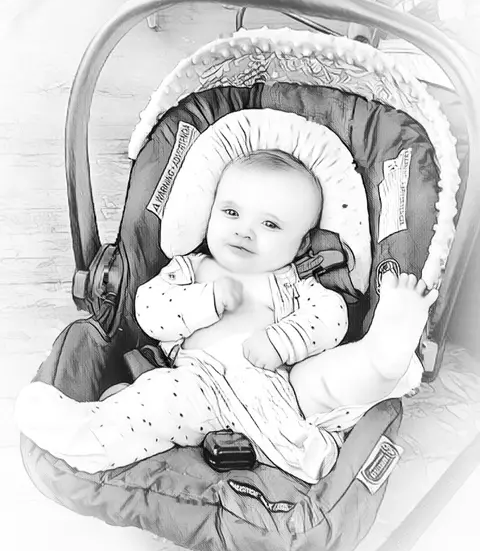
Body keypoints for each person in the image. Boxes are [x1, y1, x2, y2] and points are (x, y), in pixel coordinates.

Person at [15, 149, 438, 483]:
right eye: (231, 213)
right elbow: (149, 311)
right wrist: (205, 301)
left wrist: (282, 340)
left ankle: (384, 355)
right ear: (210, 210)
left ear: (300, 243)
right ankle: (86, 435)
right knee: (151, 405)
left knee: (329, 379)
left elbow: (331, 318)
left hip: (281, 386)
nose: (244, 230)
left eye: (270, 224)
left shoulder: (294, 282)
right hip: (201, 380)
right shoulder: (191, 268)